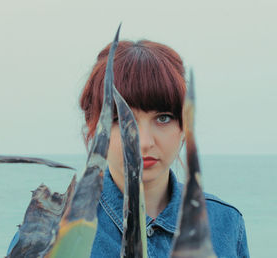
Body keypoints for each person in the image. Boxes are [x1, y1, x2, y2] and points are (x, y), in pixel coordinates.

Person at [80, 40, 250, 258]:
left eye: (163, 118)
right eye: (121, 120)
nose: (144, 142)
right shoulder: (56, 231)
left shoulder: (223, 222)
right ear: (95, 127)